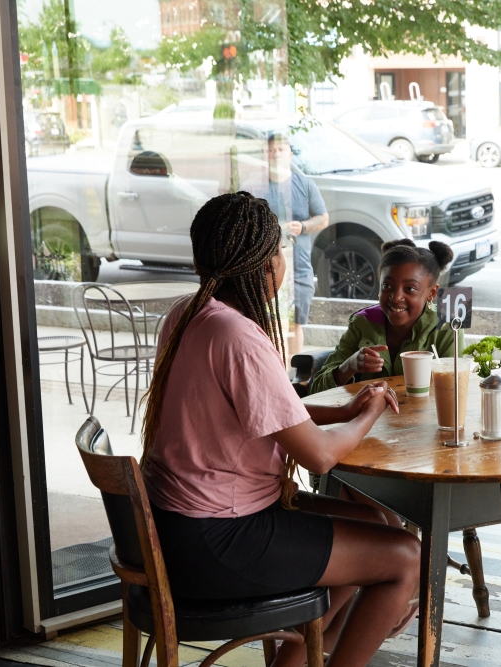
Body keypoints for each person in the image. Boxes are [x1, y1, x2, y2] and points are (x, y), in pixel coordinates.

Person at [139, 192, 420, 667]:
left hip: (178, 529)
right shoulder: (237, 336)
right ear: (265, 265)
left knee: (375, 525)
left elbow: (270, 414)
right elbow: (319, 457)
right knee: (405, 556)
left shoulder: (188, 314)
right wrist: (368, 414)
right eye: (279, 252)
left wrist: (347, 408)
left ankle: (297, 659)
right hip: (220, 539)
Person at [308, 239, 458, 394]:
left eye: (410, 288)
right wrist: (350, 366)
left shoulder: (448, 325)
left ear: (432, 293)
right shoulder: (363, 322)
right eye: (387, 286)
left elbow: (457, 388)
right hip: (368, 416)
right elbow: (316, 389)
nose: (395, 297)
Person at [264, 132, 330, 356]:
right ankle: (273, 372)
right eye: (271, 150)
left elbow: (323, 218)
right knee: (269, 323)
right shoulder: (257, 185)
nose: (276, 154)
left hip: (298, 266)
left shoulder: (304, 184)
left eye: (280, 150)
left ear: (290, 154)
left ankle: (292, 377)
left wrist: (303, 226)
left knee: (295, 324)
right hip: (266, 266)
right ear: (266, 155)